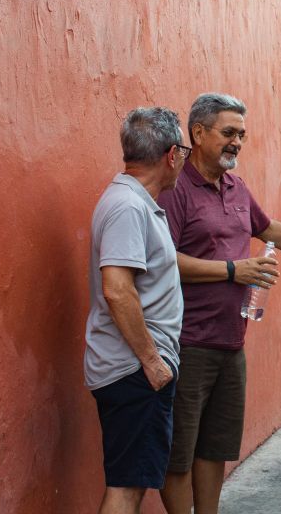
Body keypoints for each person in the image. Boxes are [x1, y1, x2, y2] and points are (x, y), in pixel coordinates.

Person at [157, 93, 281, 514]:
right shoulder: (177, 190)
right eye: (228, 133)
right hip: (187, 343)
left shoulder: (236, 186)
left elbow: (268, 230)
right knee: (178, 454)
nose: (237, 143)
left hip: (231, 341)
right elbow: (163, 261)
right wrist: (233, 271)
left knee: (215, 448)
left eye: (241, 135)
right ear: (198, 133)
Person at [84, 107, 188, 514]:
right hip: (135, 369)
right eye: (183, 150)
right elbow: (117, 291)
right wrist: (153, 362)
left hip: (135, 368)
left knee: (132, 480)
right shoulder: (129, 207)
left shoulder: (136, 202)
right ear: (170, 154)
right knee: (127, 487)